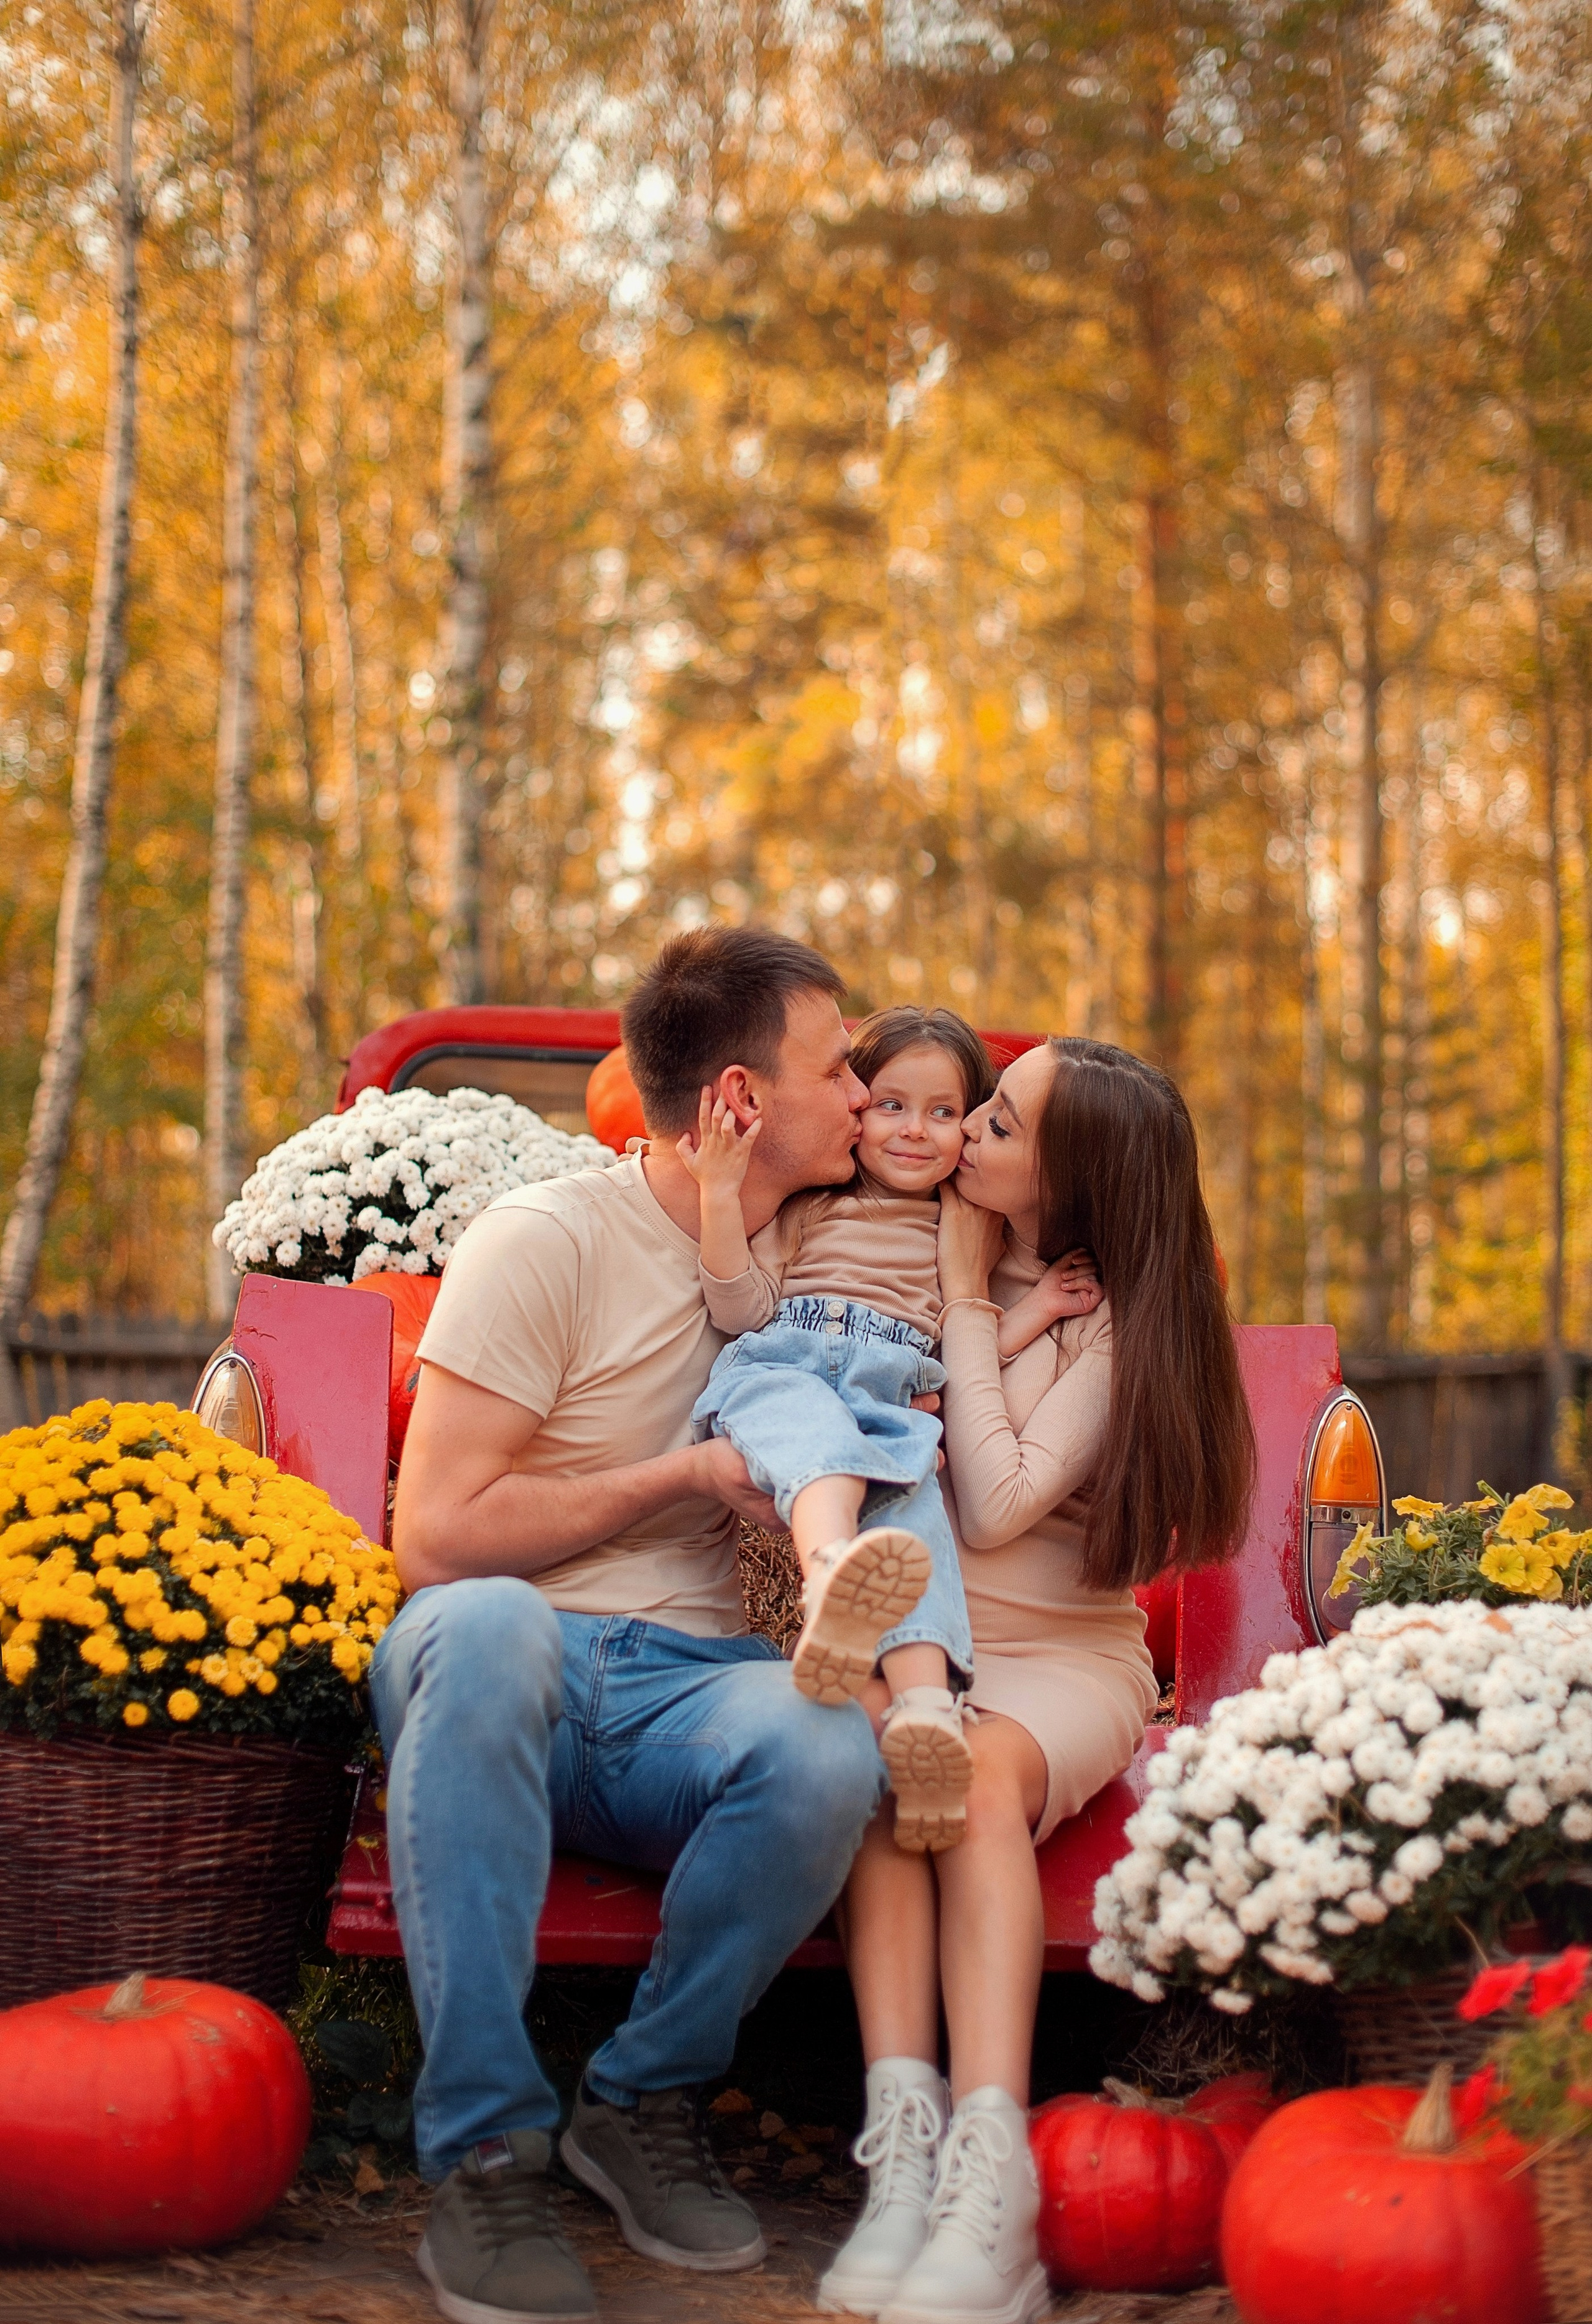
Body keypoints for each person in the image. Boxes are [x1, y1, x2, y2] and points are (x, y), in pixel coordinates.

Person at [378, 928, 890, 2324]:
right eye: (836, 1066)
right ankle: (482, 2149)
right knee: (485, 1629)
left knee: (827, 1745)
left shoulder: (819, 1256)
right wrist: (674, 1476)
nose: (858, 1094)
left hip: (691, 1695)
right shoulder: (547, 1240)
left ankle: (642, 2096)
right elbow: (431, 1536)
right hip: (508, 1671)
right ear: (736, 1100)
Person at [820, 1036, 1257, 2324]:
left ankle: (991, 2171)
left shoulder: (1109, 1314)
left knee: (979, 1773)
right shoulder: (909, 1231)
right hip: (922, 1641)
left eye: (999, 1125)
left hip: (1057, 1654)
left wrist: (966, 1301)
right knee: (884, 1780)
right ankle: (900, 2161)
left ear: (1069, 1180)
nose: (965, 1136)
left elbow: (1002, 1503)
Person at [685, 1005, 1101, 1856]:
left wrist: (1044, 1308)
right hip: (788, 1364)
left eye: (945, 1112)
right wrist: (719, 1197)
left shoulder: (964, 1225)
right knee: (811, 1441)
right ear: (857, 1109)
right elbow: (743, 1306)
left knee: (916, 1513)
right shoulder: (812, 1205)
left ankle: (926, 1707)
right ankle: (831, 1568)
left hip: (893, 1381)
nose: (916, 1131)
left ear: (972, 1123)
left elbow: (962, 1334)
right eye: (892, 1105)